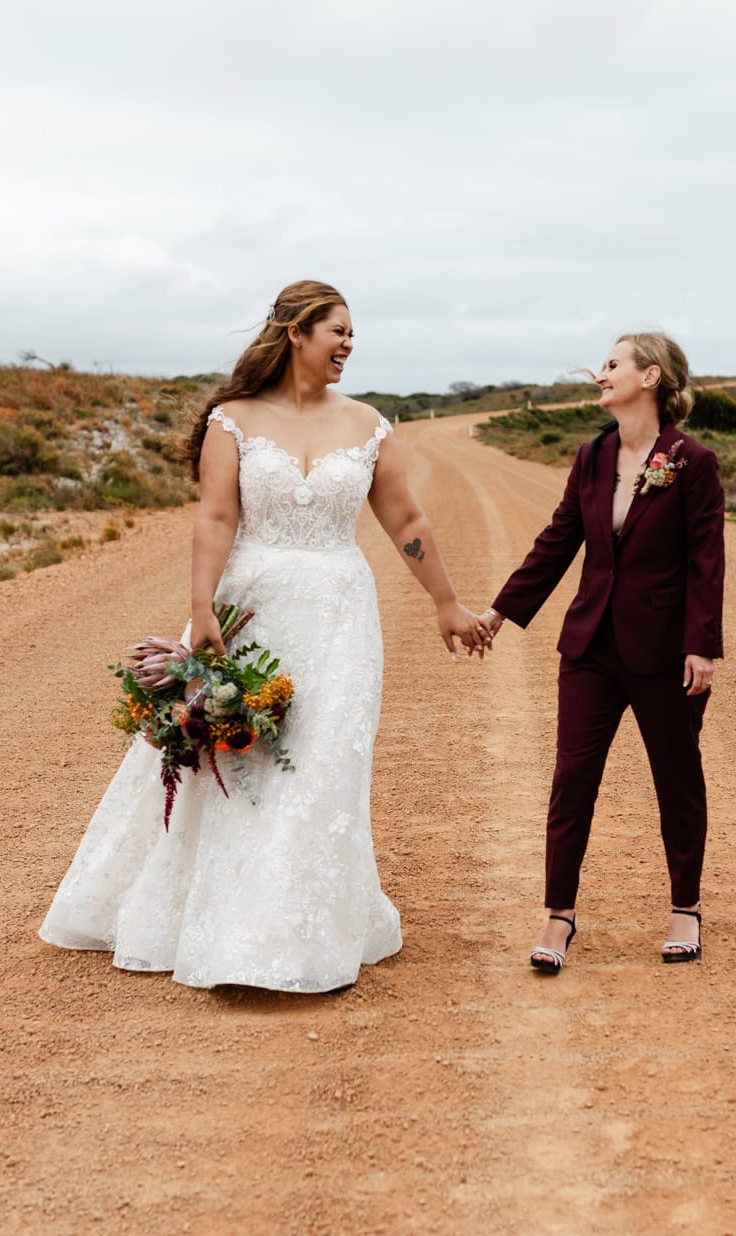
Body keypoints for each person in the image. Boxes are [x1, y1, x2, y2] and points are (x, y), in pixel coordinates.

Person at [39, 280, 492, 991]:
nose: (348, 344)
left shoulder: (368, 424)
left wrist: (447, 603)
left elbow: (407, 523)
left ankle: (289, 928)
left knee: (322, 766)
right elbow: (216, 519)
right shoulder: (234, 419)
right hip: (251, 610)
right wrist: (202, 609)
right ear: (295, 334)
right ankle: (220, 915)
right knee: (239, 763)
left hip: (340, 614)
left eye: (352, 334)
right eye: (336, 331)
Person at [480, 332, 725, 971]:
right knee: (571, 780)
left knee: (677, 779)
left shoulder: (692, 461)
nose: (601, 372)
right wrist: (501, 611)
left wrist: (700, 646)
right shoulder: (592, 458)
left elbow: (706, 560)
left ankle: (685, 910)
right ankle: (559, 917)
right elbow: (558, 540)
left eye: (614, 363)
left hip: (666, 651)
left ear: (651, 376)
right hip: (589, 647)